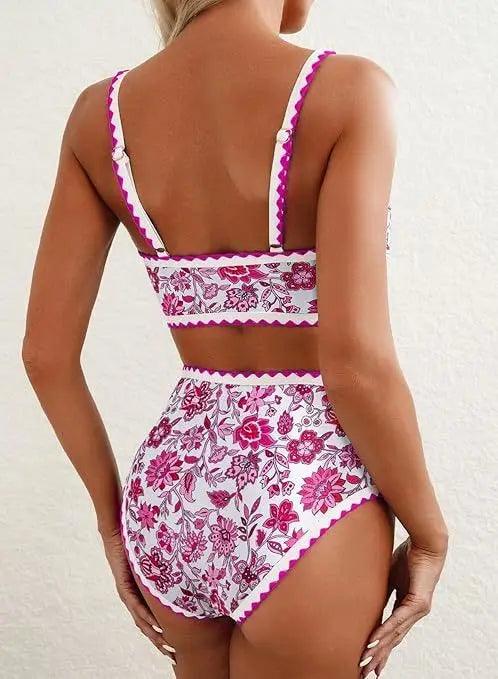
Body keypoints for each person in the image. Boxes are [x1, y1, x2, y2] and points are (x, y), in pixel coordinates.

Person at [23, 1, 448, 677]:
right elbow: (355, 366)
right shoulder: (348, 92)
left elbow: (45, 357)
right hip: (307, 491)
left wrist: (113, 522)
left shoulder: (97, 117)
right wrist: (428, 533)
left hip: (170, 494)